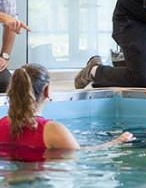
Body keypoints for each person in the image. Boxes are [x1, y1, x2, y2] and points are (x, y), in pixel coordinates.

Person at [0, 63, 134, 158]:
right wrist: (116, 143)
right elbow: (82, 154)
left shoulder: (2, 124)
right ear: (47, 91)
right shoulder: (52, 129)